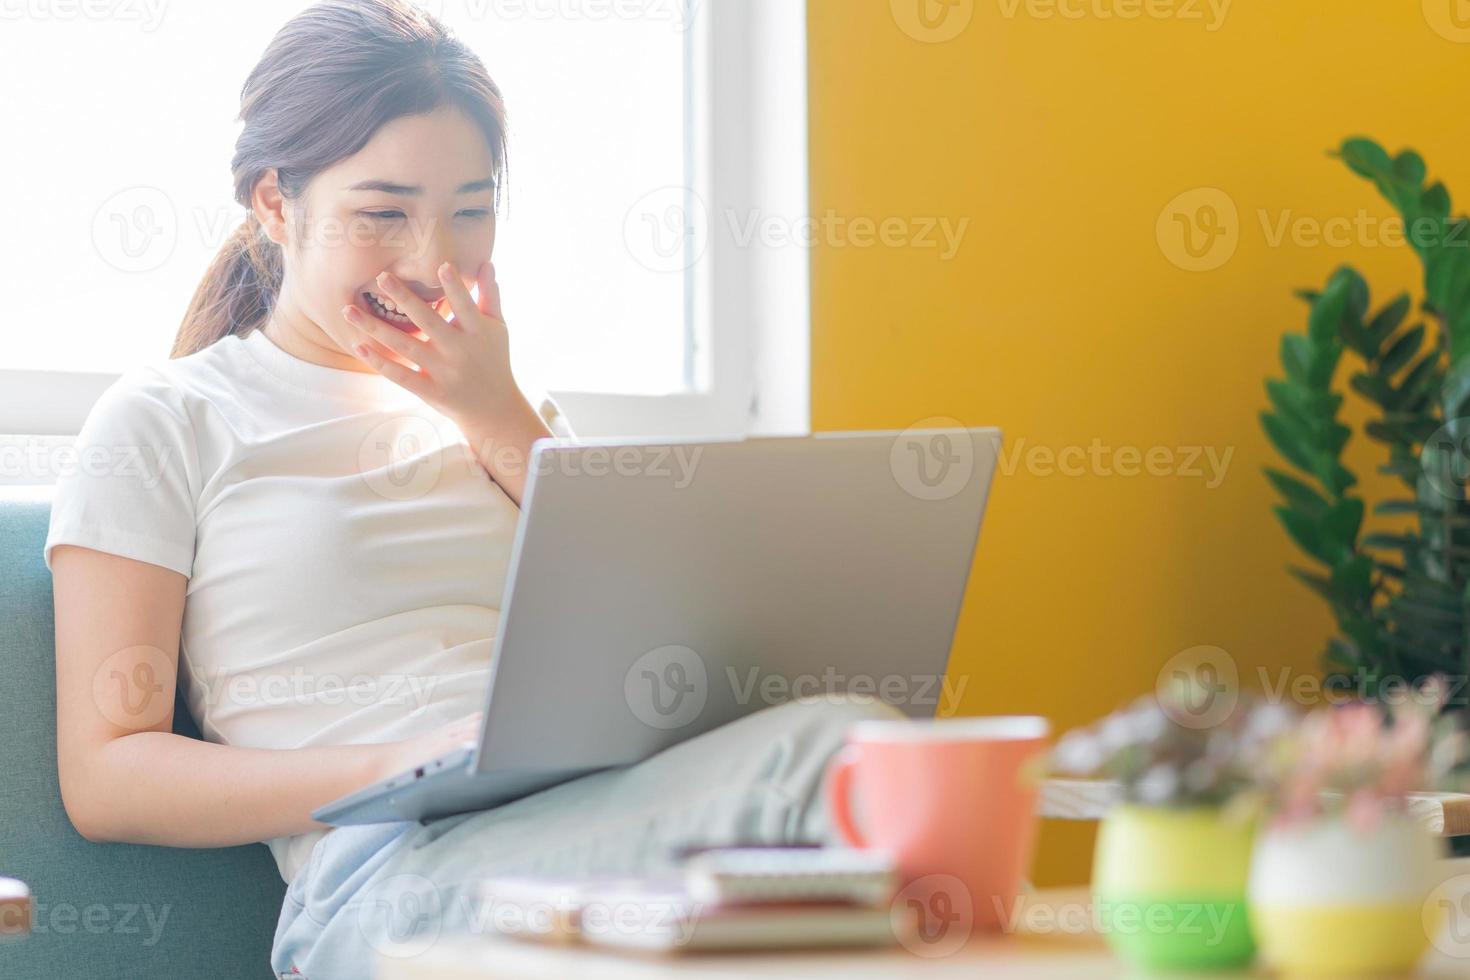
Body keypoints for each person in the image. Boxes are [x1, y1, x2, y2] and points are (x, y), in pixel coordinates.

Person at [43, 3, 903, 977]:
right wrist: (398, 763)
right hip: (387, 877)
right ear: (275, 204)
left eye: (470, 209)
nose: (431, 258)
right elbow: (107, 772)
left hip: (594, 824)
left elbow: (658, 648)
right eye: (382, 214)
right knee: (835, 756)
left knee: (862, 750)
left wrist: (494, 410)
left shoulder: (509, 414)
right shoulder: (170, 417)